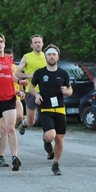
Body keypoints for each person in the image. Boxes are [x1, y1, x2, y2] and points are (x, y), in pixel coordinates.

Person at [0, 34, 28, 171]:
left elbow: (10, 75)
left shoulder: (9, 59)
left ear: (4, 44)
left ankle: (15, 157)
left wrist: (19, 82)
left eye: (1, 42)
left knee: (10, 128)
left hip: (9, 99)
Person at [29, 44, 73, 175]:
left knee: (59, 139)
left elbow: (70, 89)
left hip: (60, 109)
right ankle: (46, 139)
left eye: (54, 54)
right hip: (45, 109)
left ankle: (56, 164)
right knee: (50, 136)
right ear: (45, 57)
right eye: (49, 54)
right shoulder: (40, 73)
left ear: (58, 57)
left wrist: (67, 91)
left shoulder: (63, 73)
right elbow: (31, 87)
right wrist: (36, 95)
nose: (51, 56)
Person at [0, 49, 25, 166]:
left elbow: (19, 83)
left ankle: (14, 155)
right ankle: (1, 157)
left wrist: (21, 92)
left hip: (14, 98)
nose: (8, 59)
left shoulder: (14, 68)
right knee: (3, 130)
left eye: (10, 57)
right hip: (0, 99)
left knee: (18, 117)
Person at [15, 34, 47, 135]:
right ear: (31, 45)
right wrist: (30, 75)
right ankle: (23, 124)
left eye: (39, 42)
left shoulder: (47, 56)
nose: (37, 44)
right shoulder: (27, 57)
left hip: (45, 90)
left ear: (42, 43)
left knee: (48, 116)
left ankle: (47, 136)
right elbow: (16, 73)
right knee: (31, 121)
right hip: (31, 90)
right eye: (35, 42)